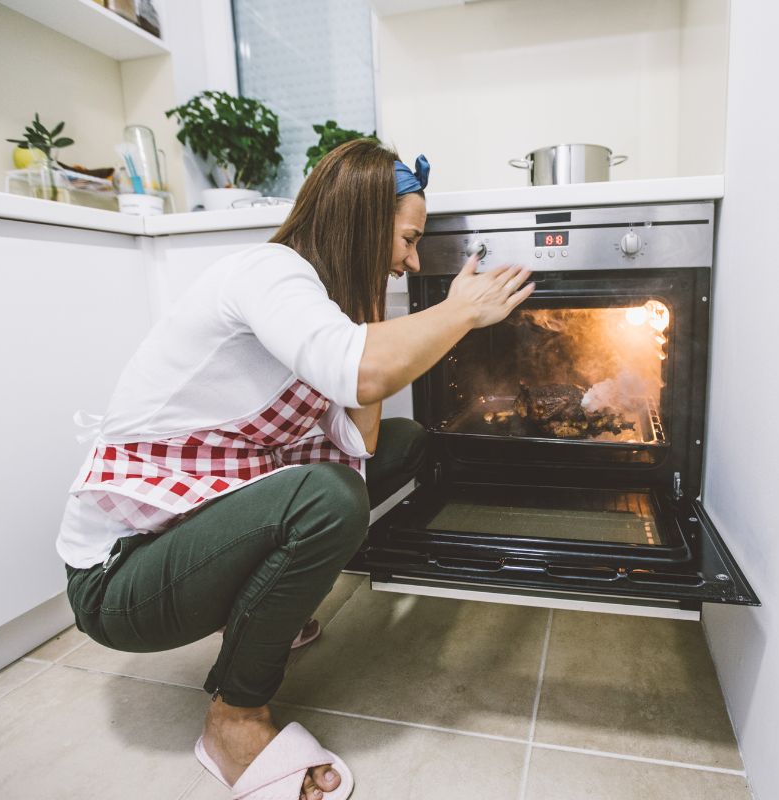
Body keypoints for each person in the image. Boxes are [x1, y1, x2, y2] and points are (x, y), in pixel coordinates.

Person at [56, 139, 535, 799]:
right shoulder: (267, 273)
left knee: (403, 443)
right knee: (329, 497)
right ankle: (235, 719)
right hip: (120, 581)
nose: (412, 260)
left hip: (194, 528)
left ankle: (257, 611)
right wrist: (459, 311)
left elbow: (363, 441)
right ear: (365, 222)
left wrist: (370, 304)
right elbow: (361, 372)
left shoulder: (327, 305)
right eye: (406, 239)